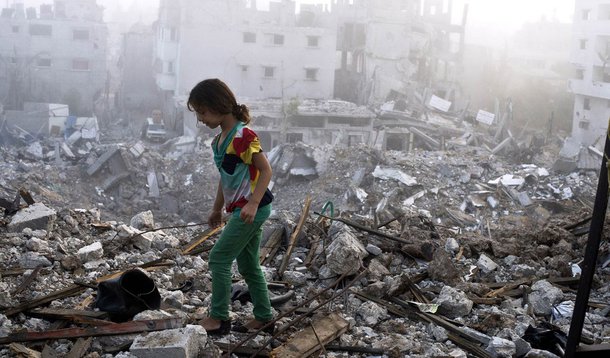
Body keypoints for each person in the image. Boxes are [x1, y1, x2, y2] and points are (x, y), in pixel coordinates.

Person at [187, 78, 274, 335]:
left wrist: (253, 204)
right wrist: (216, 209)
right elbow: (225, 179)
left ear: (218, 104)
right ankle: (264, 317)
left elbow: (265, 170)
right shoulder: (219, 141)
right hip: (242, 209)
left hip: (253, 208)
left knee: (219, 258)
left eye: (202, 111)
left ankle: (219, 318)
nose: (201, 118)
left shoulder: (242, 136)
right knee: (248, 266)